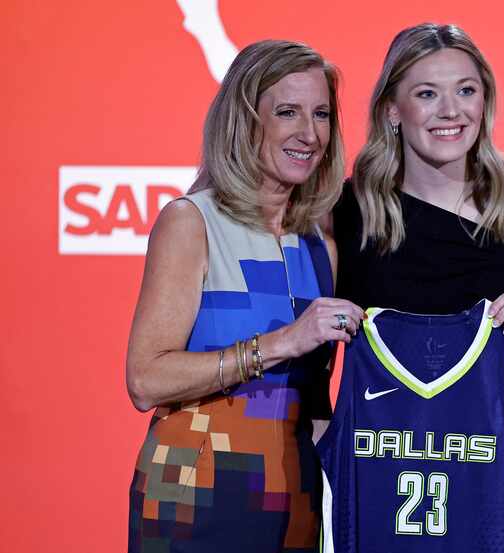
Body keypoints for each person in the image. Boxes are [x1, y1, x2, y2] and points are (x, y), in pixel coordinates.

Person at [334, 23, 504, 552]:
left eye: (466, 90)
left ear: (485, 101)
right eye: (427, 94)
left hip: (498, 496)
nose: (451, 111)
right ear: (391, 111)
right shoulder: (342, 217)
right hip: (373, 494)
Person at [126, 40, 363, 553]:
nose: (309, 133)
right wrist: (279, 343)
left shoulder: (321, 243)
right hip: (194, 501)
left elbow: (315, 401)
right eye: (287, 112)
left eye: (321, 114)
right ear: (244, 120)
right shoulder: (192, 222)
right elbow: (146, 380)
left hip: (294, 504)